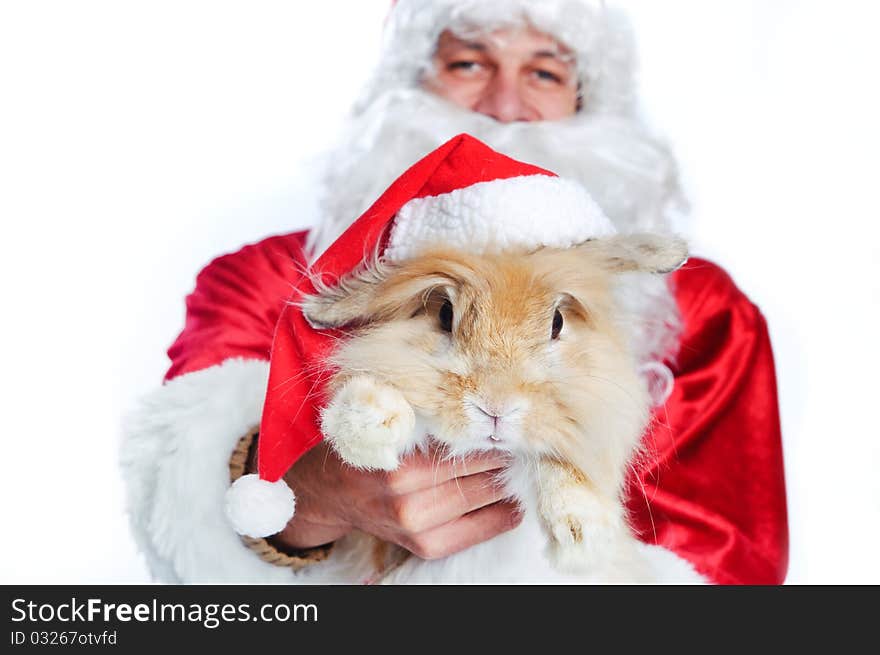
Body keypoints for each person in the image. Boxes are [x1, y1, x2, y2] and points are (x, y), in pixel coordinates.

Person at [121, 0, 788, 584]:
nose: (504, 103)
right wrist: (310, 497)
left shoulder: (708, 311)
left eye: (545, 72)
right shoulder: (270, 278)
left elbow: (733, 562)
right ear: (410, 84)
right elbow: (176, 498)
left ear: (588, 100)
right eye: (469, 63)